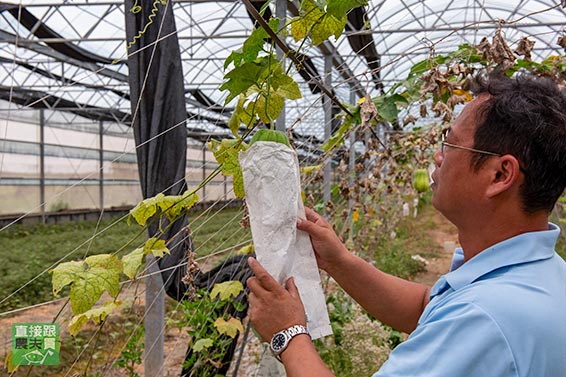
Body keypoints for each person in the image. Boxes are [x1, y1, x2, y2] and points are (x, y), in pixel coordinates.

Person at [245, 73, 566, 377]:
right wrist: (338, 262)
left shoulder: (486, 319)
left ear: (499, 175)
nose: (438, 158)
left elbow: (465, 316)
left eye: (450, 145)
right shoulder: (539, 274)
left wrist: (288, 333)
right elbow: (425, 306)